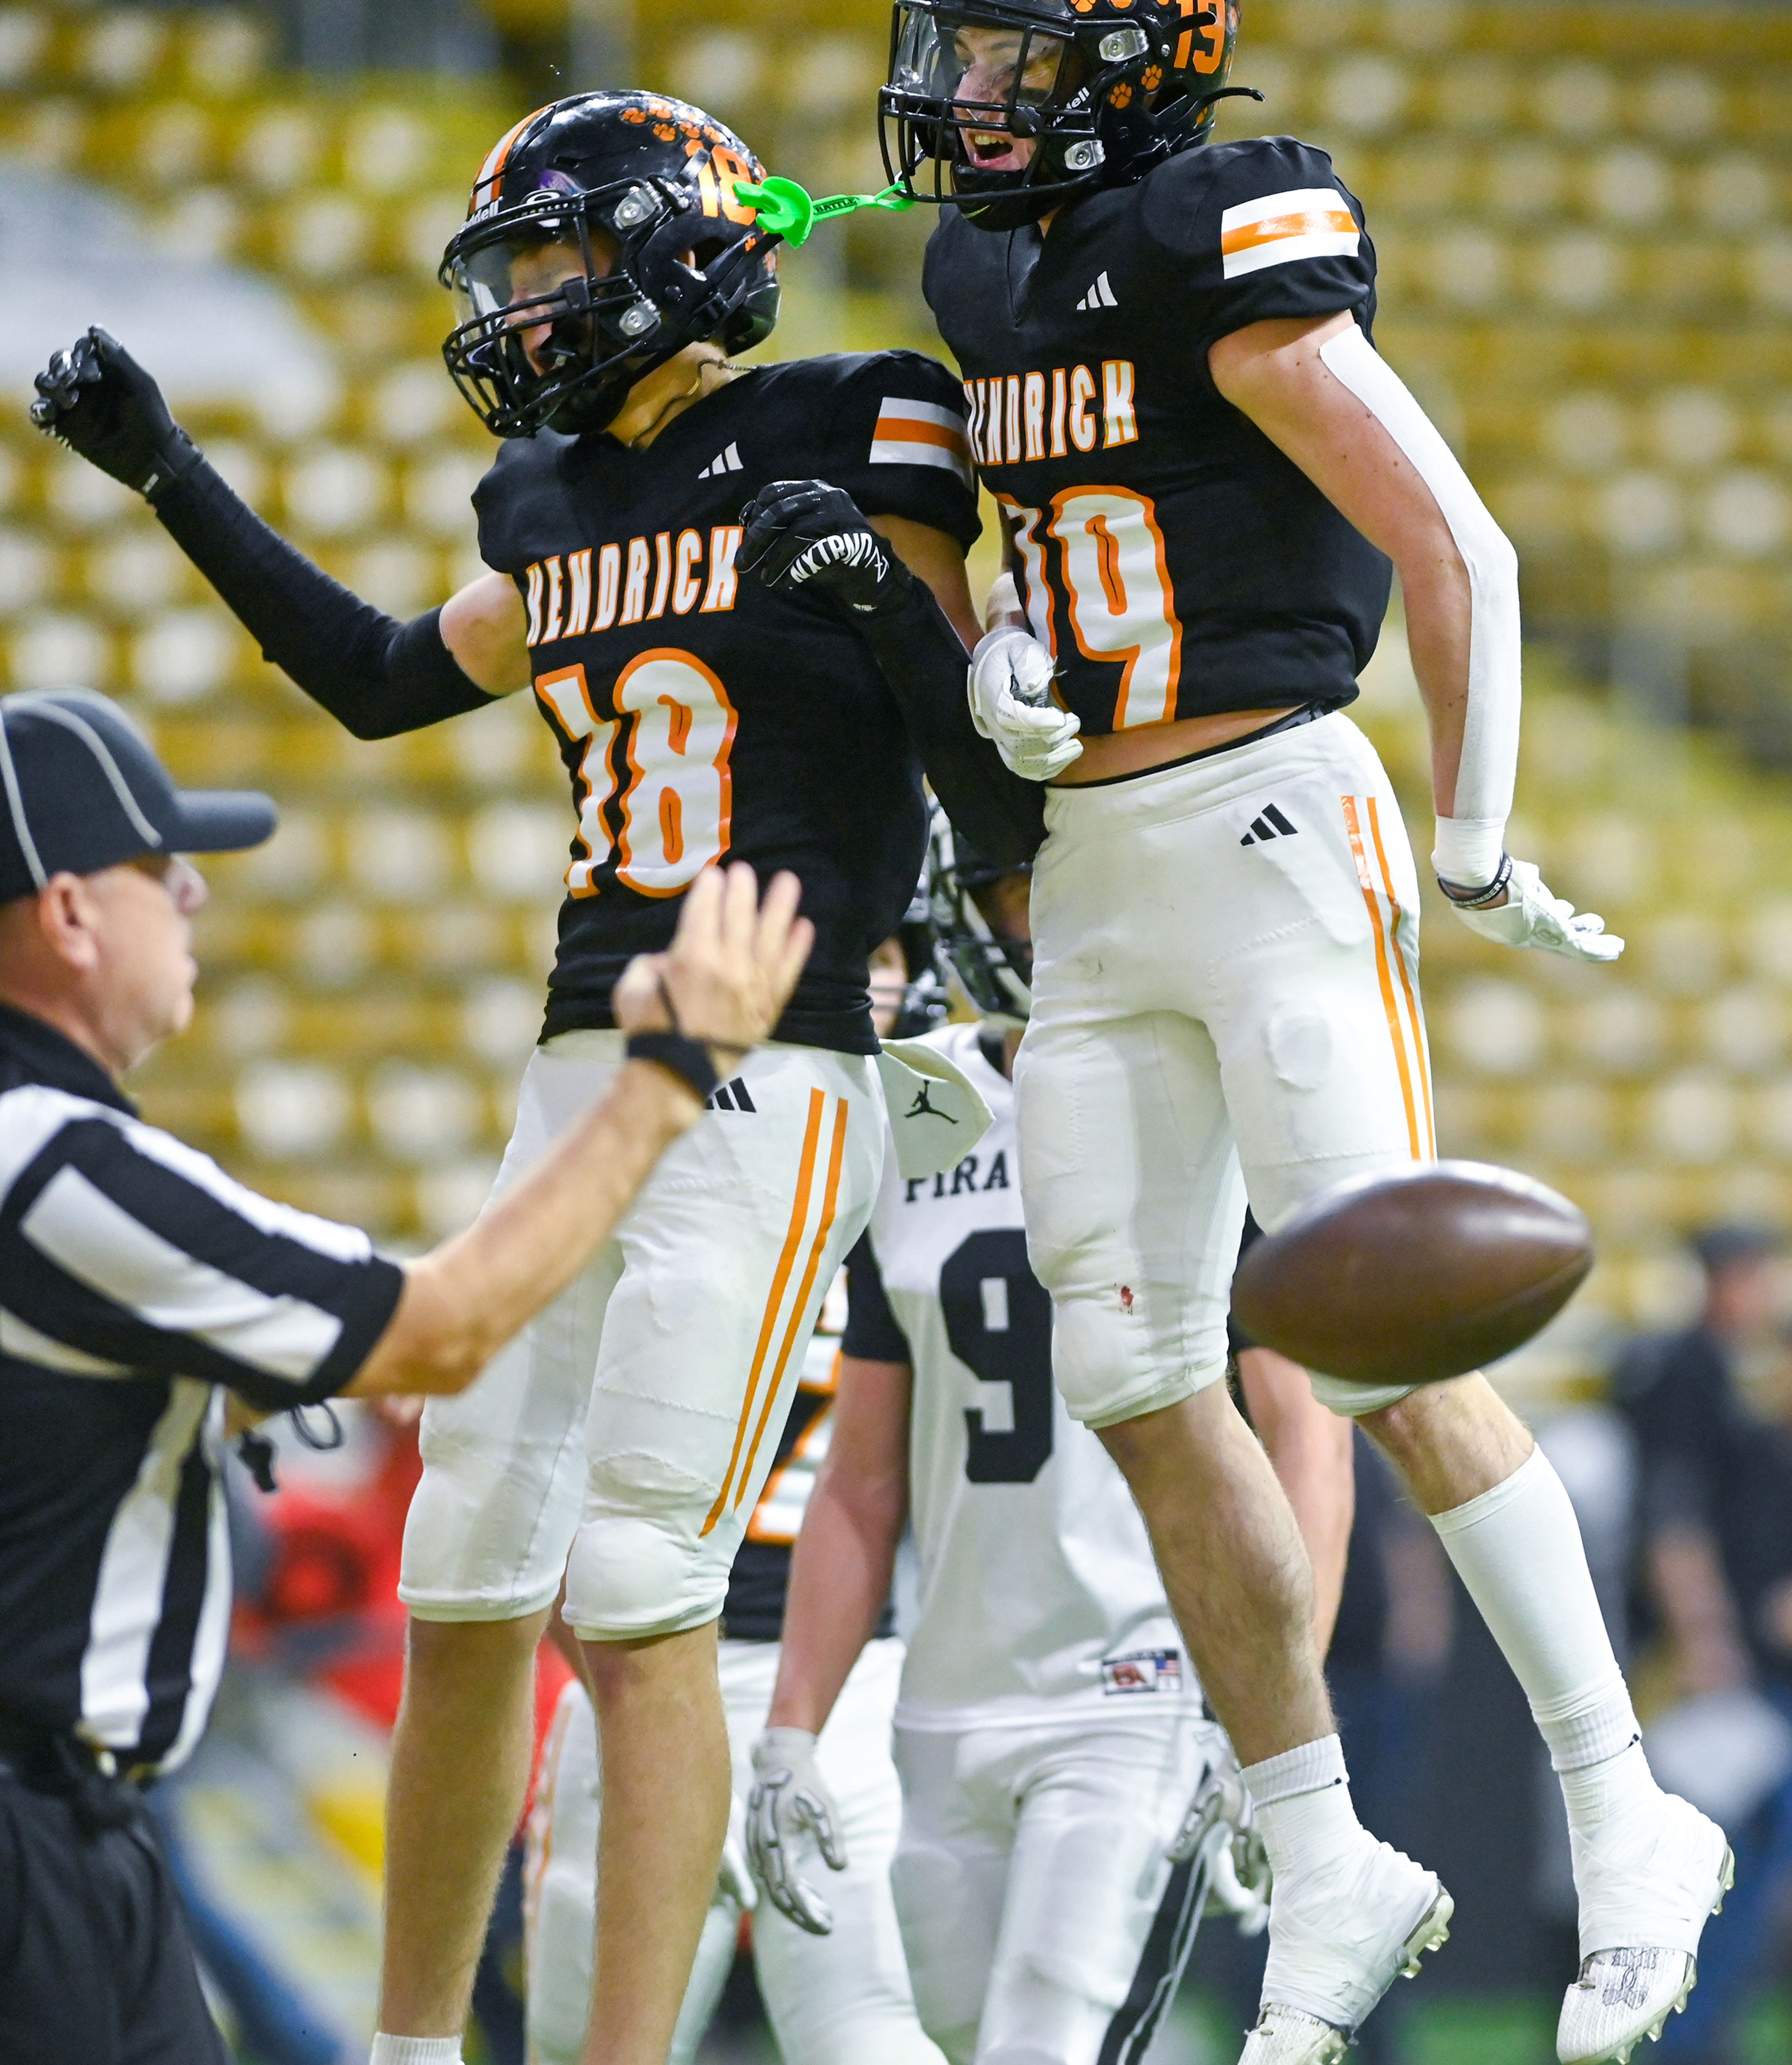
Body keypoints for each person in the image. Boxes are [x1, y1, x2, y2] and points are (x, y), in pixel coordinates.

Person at [767, 10, 1735, 2062]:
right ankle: (1321, 1844)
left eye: (1012, 60)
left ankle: (1622, 1798)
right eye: (960, 55)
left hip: (1276, 820)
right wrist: (1017, 656)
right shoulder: (983, 276)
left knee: (1381, 1334)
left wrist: (1472, 842)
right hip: (1104, 868)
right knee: (1134, 1371)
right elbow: (1083, 543)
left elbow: (1452, 538)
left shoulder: (1224, 224)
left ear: (1131, 59)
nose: (967, 98)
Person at [32, 89, 1033, 2065]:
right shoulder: (553, 497)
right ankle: (417, 2045)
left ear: (673, 246)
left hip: (774, 1055)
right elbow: (387, 676)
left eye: (558, 261)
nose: (528, 307)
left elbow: (992, 787)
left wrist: (870, 610)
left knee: (640, 1588)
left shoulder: (861, 416)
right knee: (465, 1577)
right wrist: (170, 476)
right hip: (580, 1057)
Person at [0, 685, 813, 2065]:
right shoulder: (53, 1159)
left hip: (78, 1828)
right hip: (33, 1837)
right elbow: (440, 1328)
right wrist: (670, 1076)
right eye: (161, 870)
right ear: (70, 913)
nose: (193, 900)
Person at [743, 818, 1351, 2065]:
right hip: (950, 1700)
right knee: (972, 2039)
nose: (1063, 918)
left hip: (1143, 1688)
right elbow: (862, 1481)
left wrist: (1278, 1723)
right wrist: (793, 1727)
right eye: (1030, 891)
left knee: (1044, 2043)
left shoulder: (1196, 1088)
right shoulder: (916, 1108)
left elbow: (1307, 1438)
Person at [523, 953, 948, 2065]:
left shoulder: (921, 1171)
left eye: (877, 957)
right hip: (687, 1671)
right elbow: (538, 1463)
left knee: (858, 2036)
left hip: (831, 1685)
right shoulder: (912, 1167)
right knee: (587, 2043)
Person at [1615, 1226, 1792, 2063]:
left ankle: (1696, 2037)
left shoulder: (1732, 1373)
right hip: (1722, 1667)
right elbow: (1674, 1519)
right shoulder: (1696, 1369)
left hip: (1744, 1661)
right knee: (1718, 1871)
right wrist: (1705, 1636)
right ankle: (1682, 2042)